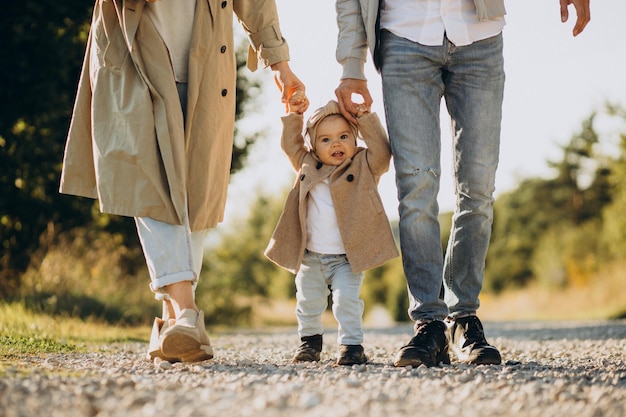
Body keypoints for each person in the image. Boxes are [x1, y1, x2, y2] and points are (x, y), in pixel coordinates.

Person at [334, 0, 591, 367]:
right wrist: (351, 65)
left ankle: (464, 319)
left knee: (478, 189)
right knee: (416, 187)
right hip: (403, 39)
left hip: (479, 38)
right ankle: (430, 324)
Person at [59, 0, 308, 364]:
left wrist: (281, 65)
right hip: (132, 59)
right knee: (148, 183)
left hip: (205, 63)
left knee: (195, 193)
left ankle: (173, 325)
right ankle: (186, 310)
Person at [265, 98, 399, 366]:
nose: (336, 144)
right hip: (310, 255)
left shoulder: (363, 165)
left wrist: (365, 118)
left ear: (354, 138)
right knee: (308, 301)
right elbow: (290, 145)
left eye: (343, 136)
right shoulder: (307, 163)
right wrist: (294, 115)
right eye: (325, 140)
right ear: (313, 147)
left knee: (346, 301)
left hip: (347, 259)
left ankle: (351, 346)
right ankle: (309, 343)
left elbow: (383, 154)